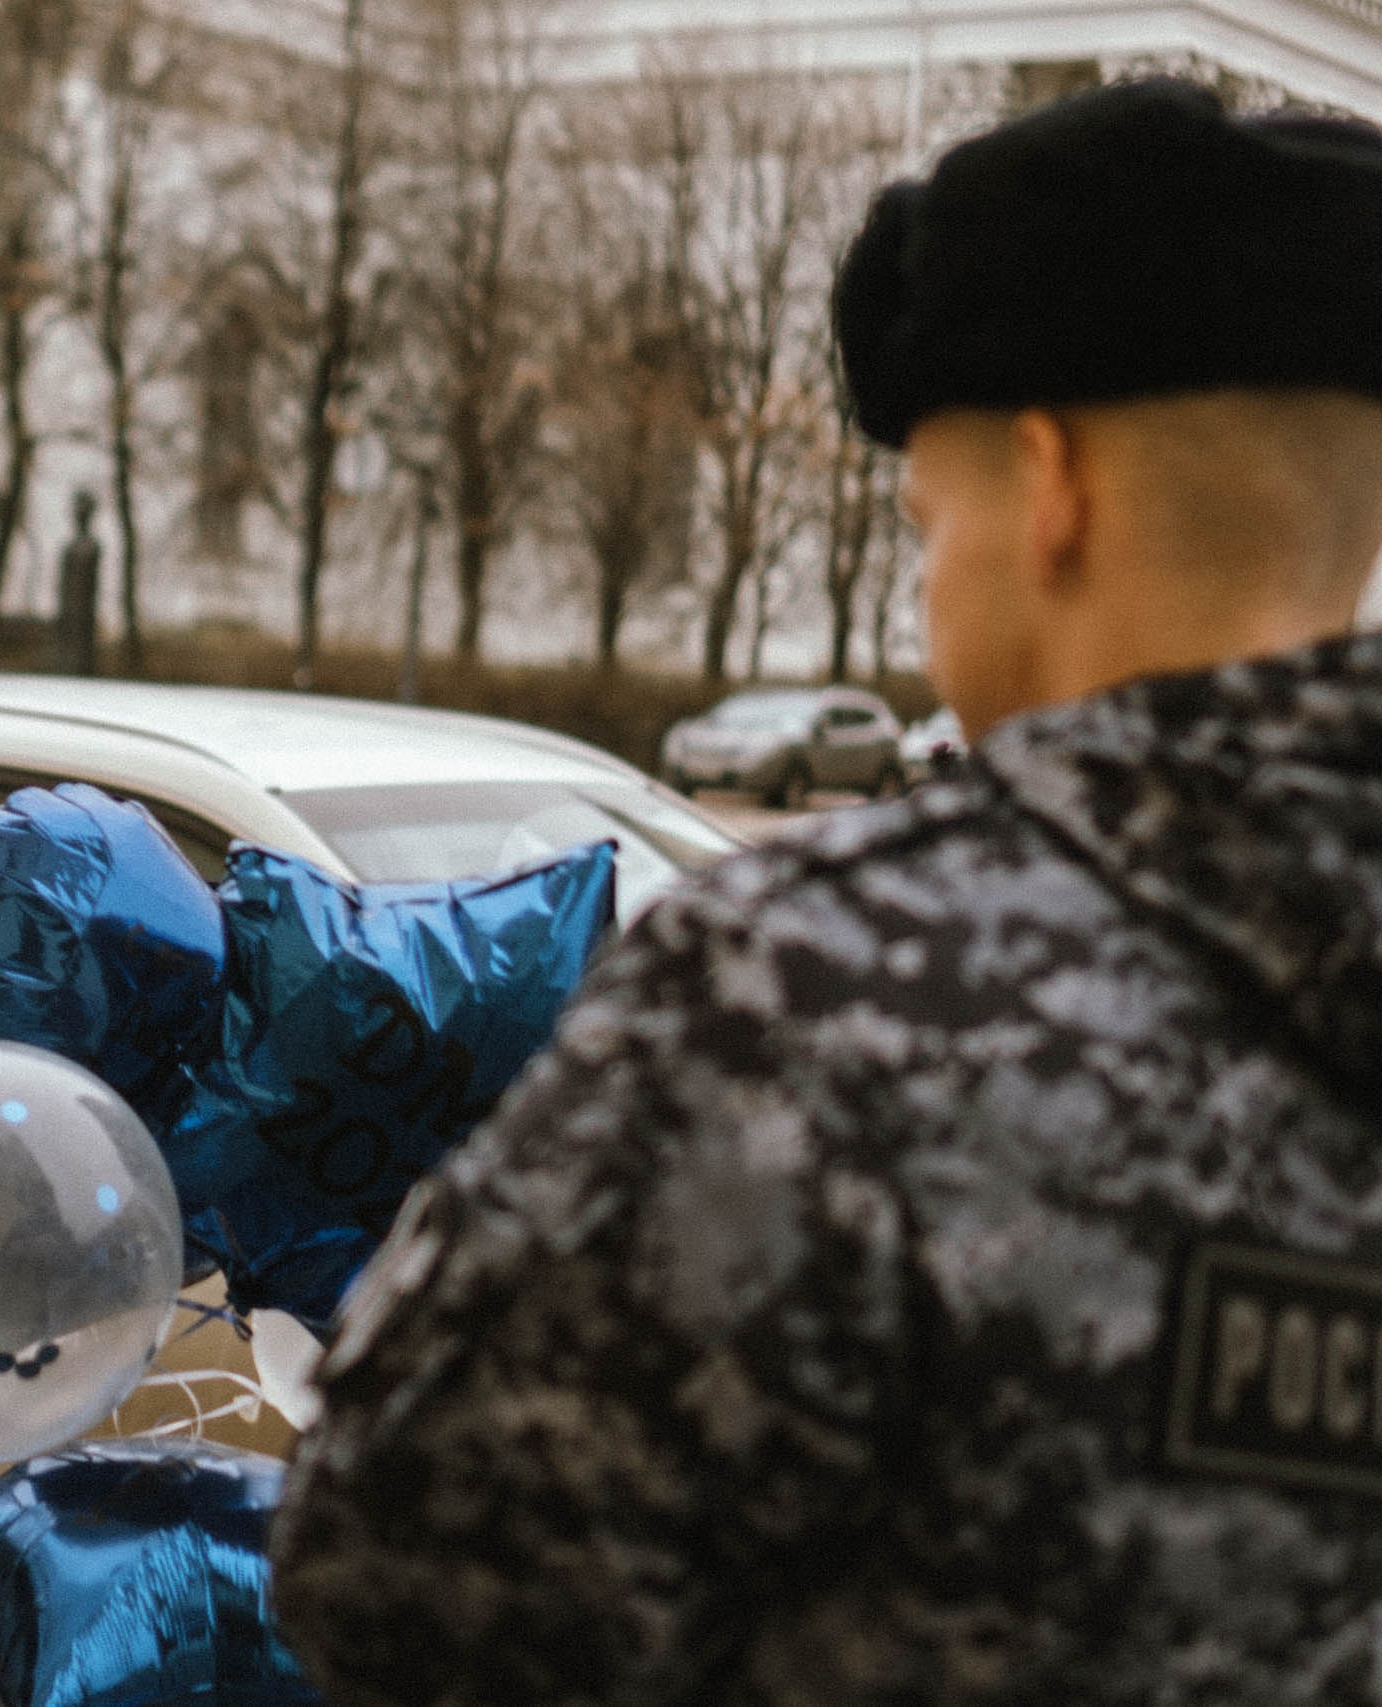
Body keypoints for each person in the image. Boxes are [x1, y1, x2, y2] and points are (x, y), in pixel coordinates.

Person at [272, 79, 1382, 1704]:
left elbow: (403, 1576)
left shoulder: (815, 993)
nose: (932, 584)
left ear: (1055, 489)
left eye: (932, 522)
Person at [54, 490, 102, 677]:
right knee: (66, 642)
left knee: (82, 646)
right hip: (68, 605)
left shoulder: (92, 546)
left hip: (84, 607)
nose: (79, 517)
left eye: (83, 513)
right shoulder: (69, 547)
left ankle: (80, 672)